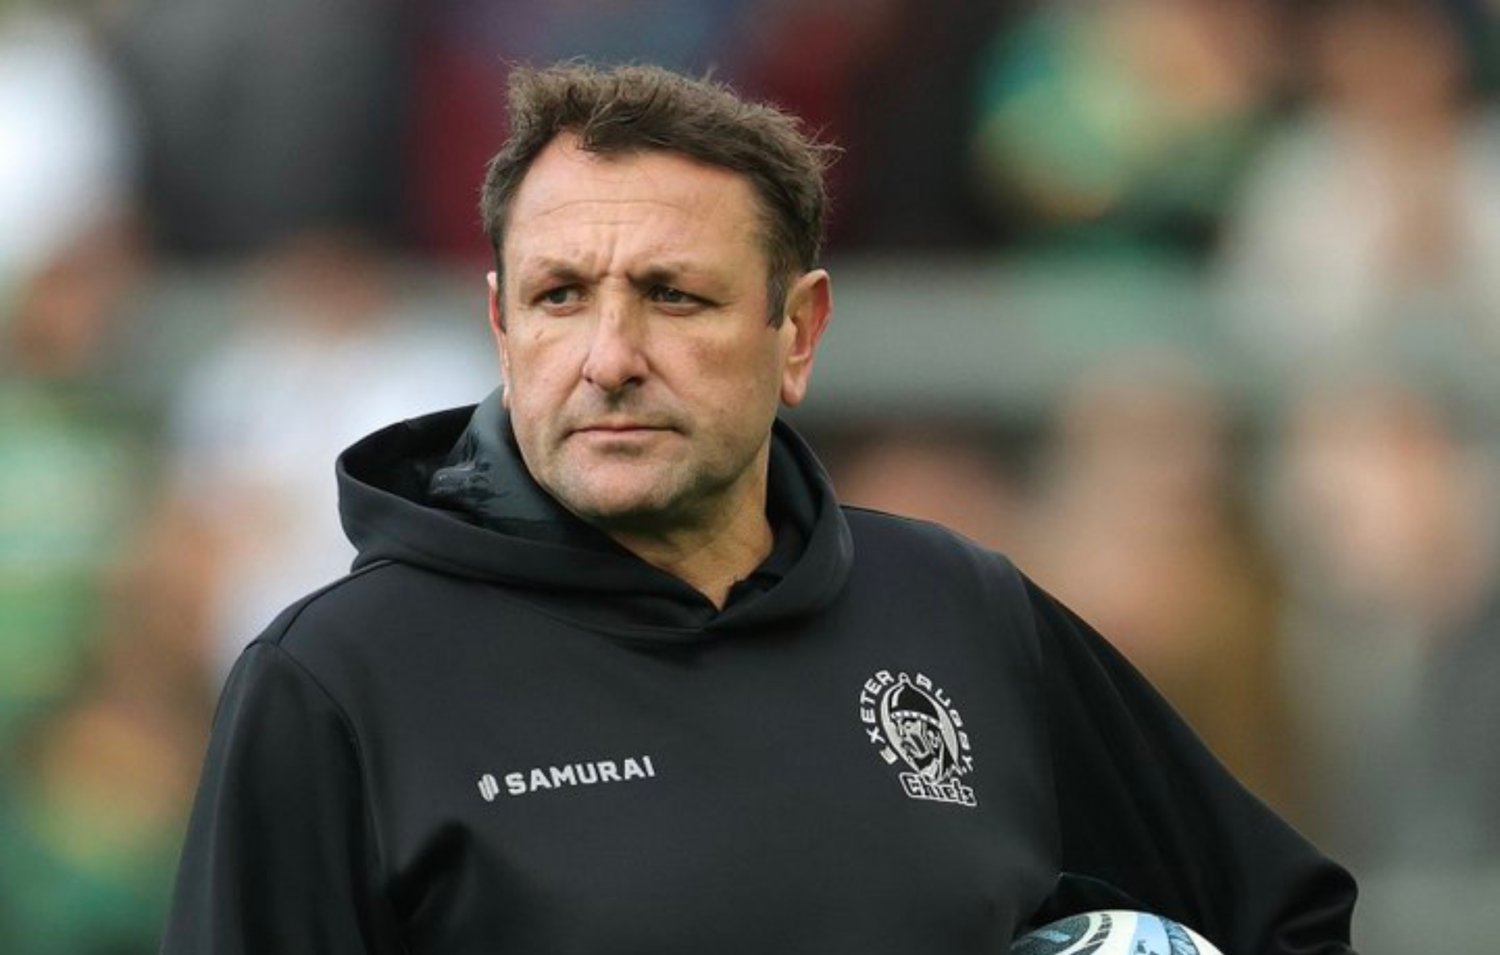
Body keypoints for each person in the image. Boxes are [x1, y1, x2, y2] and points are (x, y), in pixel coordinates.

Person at [161, 62, 1358, 954]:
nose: (609, 356)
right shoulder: (338, 682)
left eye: (674, 296)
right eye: (560, 295)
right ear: (500, 326)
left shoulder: (960, 609)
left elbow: (1284, 919)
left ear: (799, 332)